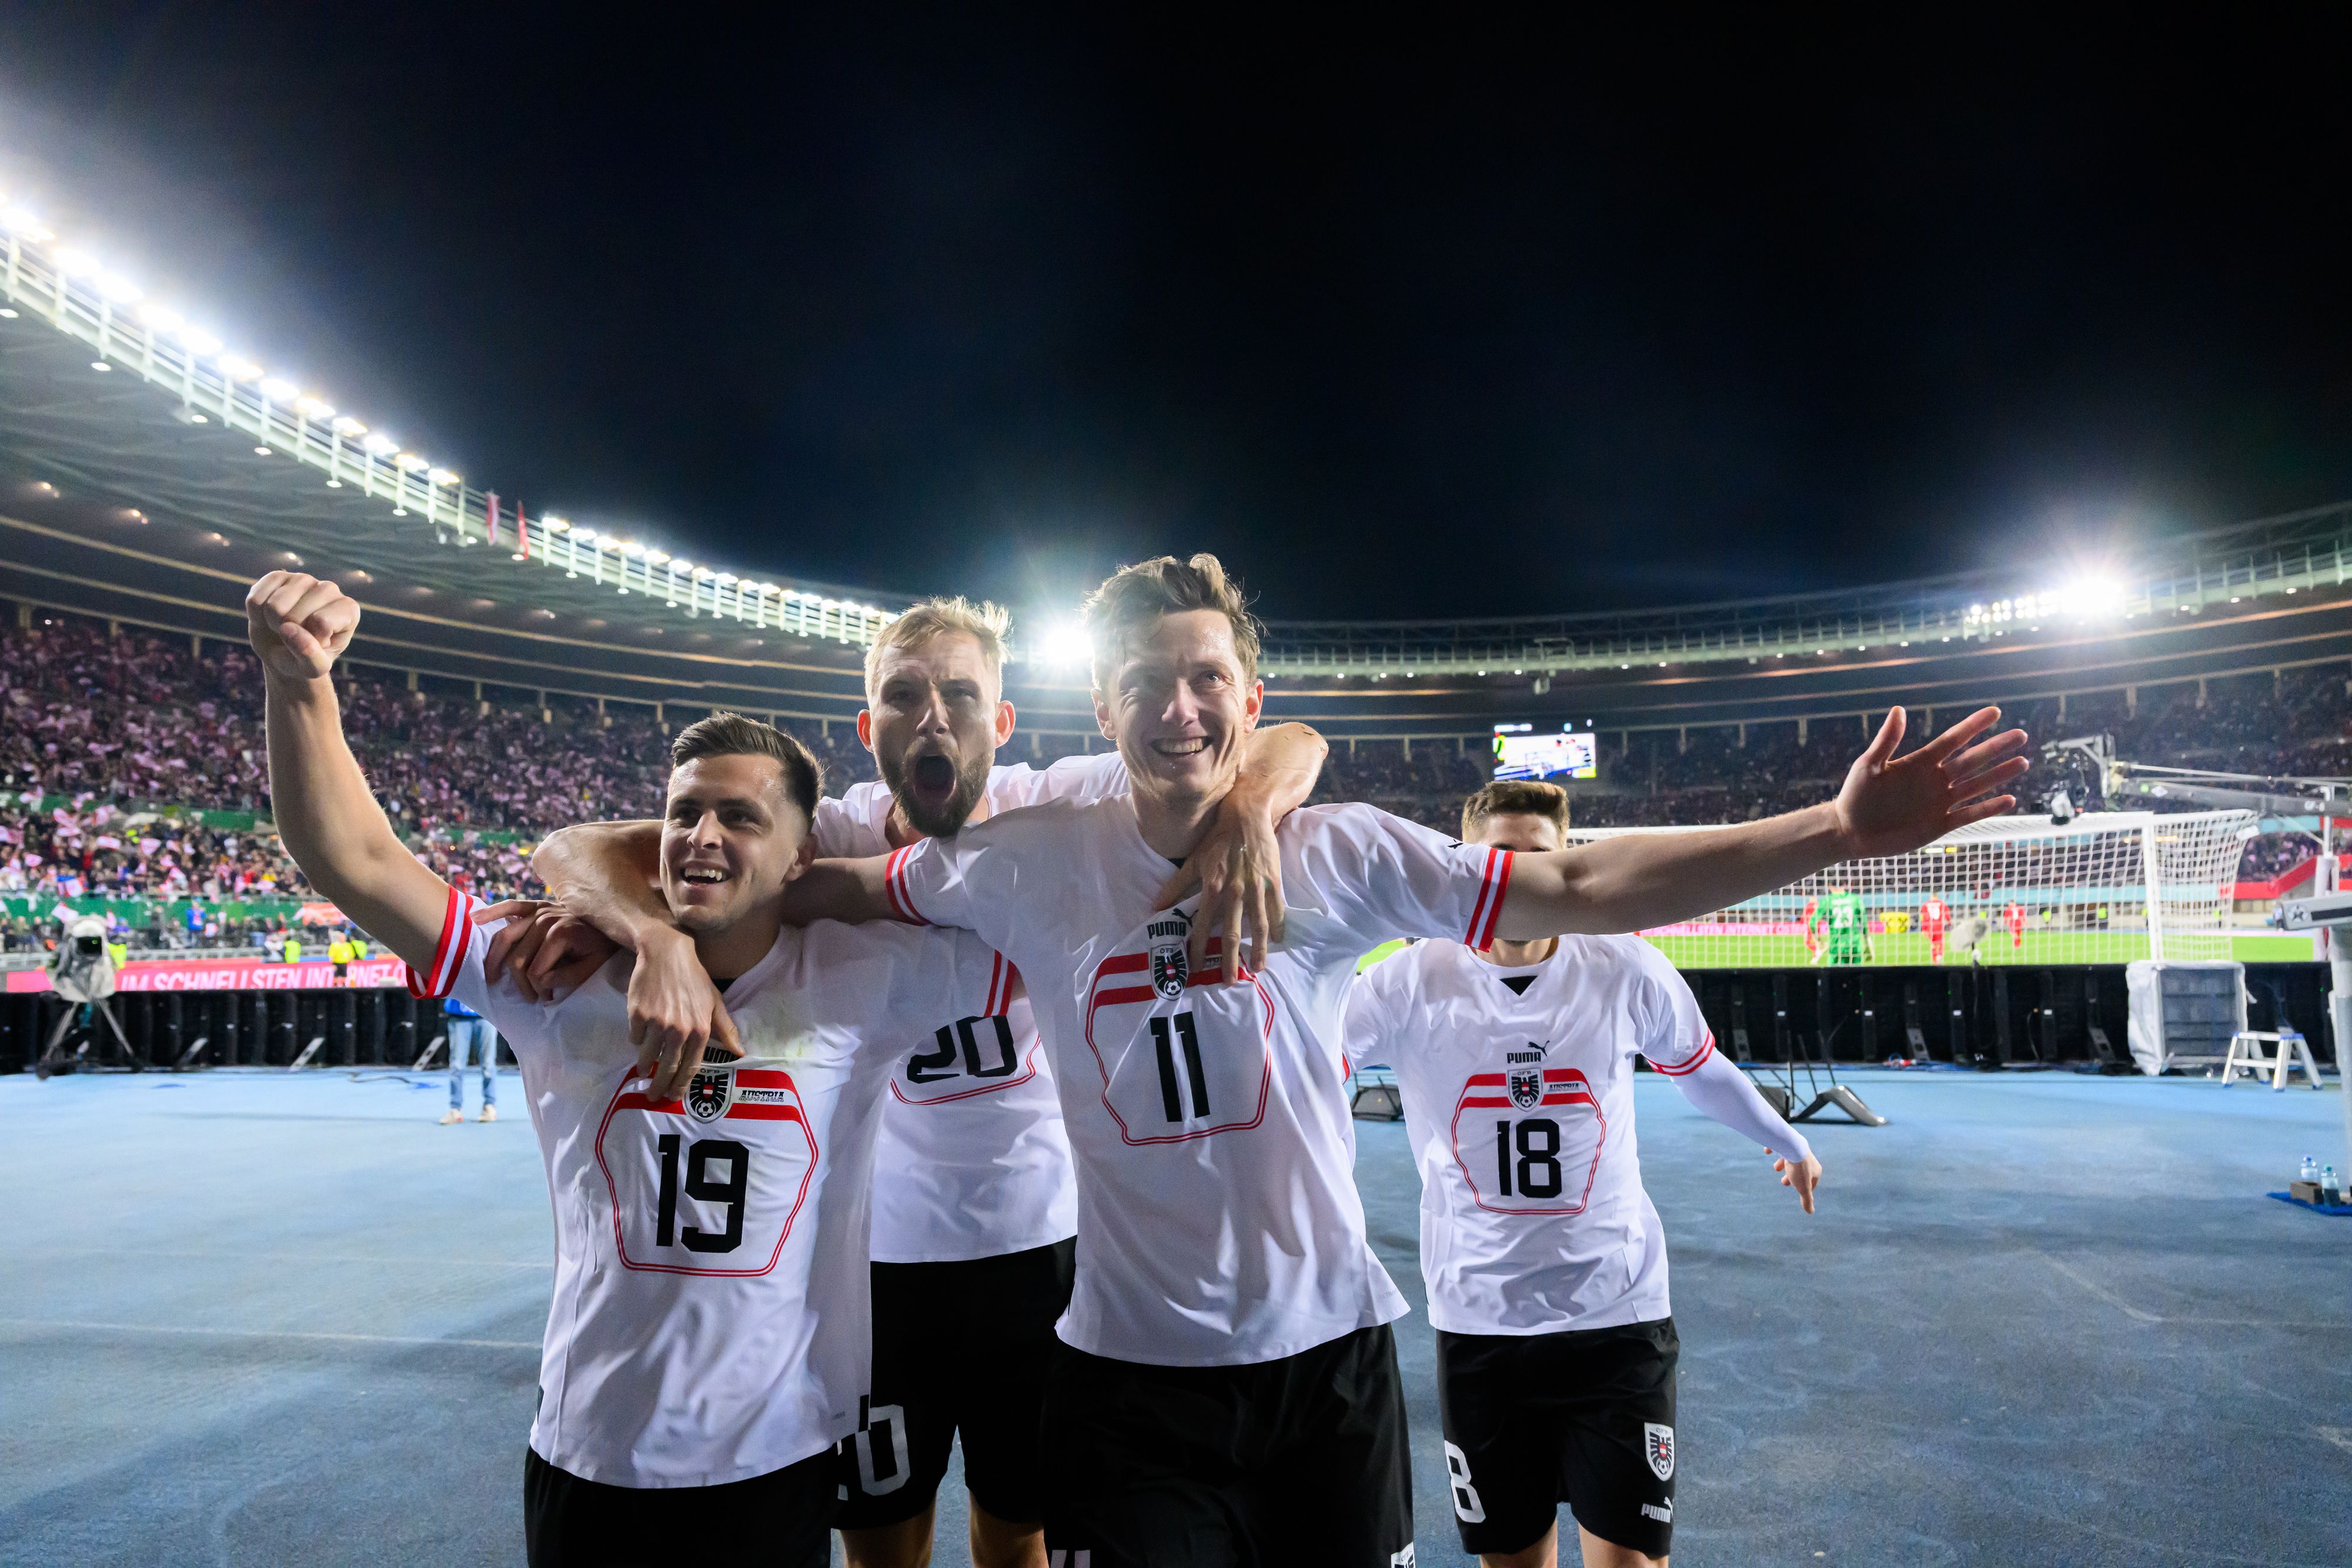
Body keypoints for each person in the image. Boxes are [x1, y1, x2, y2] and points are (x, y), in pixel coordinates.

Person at [753, 553, 2024, 1564]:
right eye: (1144, 680)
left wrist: (1833, 827)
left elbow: (1577, 878)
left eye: (1205, 679)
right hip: (1128, 1377)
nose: (1177, 705)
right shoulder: (1025, 862)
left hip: (1326, 1372)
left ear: (1250, 705)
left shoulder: (1334, 856)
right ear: (1102, 709)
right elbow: (813, 889)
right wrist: (638, 918)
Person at [513, 596, 1327, 1568]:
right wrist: (645, 928)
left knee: (1018, 1529)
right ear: (871, 727)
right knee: (879, 1543)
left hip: (1043, 1252)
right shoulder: (833, 830)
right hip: (880, 1263)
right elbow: (576, 847)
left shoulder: (1059, 801)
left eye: (960, 694)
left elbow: (1286, 736)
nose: (934, 717)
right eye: (905, 696)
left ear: (1002, 720)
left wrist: (1244, 810)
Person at [243, 570, 1018, 1567]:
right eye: (684, 812)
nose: (702, 835)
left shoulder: (862, 984)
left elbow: (1056, 922)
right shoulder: (555, 975)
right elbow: (354, 856)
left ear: (800, 859)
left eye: (741, 818)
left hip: (775, 1460)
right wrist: (299, 683)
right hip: (591, 1456)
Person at [1345, 780, 1822, 1568]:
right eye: (1499, 858)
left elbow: (1699, 1070)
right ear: (1466, 864)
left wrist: (1785, 1138)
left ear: (1567, 862)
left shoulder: (1624, 965)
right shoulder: (1407, 979)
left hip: (1617, 1317)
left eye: (1538, 858)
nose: (1519, 876)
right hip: (1480, 1322)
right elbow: (1312, 1067)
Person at [440, 991, 500, 1125]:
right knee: (457, 1066)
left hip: (486, 1016)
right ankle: (455, 1109)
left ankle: (489, 1106)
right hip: (458, 1016)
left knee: (488, 1065)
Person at [1920, 892, 1950, 964]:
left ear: (1931, 897)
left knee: (1933, 945)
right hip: (1939, 926)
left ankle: (1935, 962)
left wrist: (1924, 929)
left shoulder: (1925, 905)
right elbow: (1947, 915)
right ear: (1937, 897)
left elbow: (1924, 918)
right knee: (1941, 943)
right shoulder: (1942, 903)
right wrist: (1949, 923)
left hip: (1930, 927)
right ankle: (1939, 955)